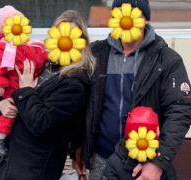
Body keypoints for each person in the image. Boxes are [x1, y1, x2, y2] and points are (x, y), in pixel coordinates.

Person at [72, 0, 191, 179]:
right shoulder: (96, 54)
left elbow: (180, 111)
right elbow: (79, 103)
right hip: (100, 161)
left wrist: (159, 162)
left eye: (133, 13)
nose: (126, 18)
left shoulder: (166, 59)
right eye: (120, 13)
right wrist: (77, 147)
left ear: (146, 20)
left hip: (144, 164)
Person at [0, 10, 96, 180]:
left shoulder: (74, 84)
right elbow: (11, 86)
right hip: (10, 159)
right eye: (58, 33)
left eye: (70, 36)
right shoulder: (43, 63)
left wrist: (26, 91)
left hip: (33, 169)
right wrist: (0, 102)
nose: (62, 40)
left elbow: (42, 123)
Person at [0, 5, 48, 156]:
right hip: (10, 86)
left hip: (20, 83)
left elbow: (37, 57)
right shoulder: (1, 47)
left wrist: (47, 55)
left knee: (13, 110)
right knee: (11, 112)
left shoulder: (28, 44)